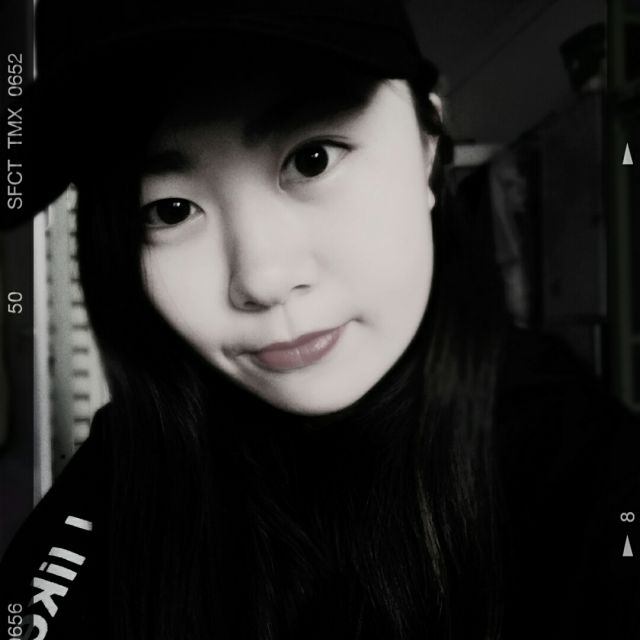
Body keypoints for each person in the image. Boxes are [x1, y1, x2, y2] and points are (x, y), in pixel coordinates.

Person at [1, 1, 639, 639]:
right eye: (169, 210)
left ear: (428, 144)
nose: (263, 279)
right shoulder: (129, 465)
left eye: (313, 159)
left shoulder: (582, 465)